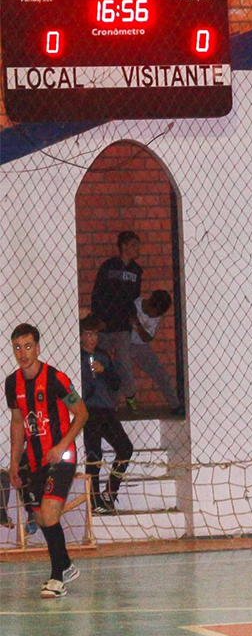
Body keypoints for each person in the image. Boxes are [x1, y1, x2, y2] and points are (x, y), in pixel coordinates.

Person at [7, 323, 90, 598]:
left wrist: (61, 445)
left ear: (38, 347)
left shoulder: (56, 379)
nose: (23, 353)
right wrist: (14, 462)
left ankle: (57, 579)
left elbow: (81, 413)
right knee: (42, 517)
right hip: (34, 461)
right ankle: (65, 564)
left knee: (50, 513)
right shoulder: (12, 384)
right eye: (18, 347)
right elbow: (17, 423)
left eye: (28, 346)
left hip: (62, 457)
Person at [80, 317, 132, 516]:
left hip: (106, 410)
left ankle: (110, 491)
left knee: (125, 448)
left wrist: (104, 372)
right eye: (88, 334)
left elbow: (116, 383)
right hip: (88, 411)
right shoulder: (78, 357)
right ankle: (93, 499)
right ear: (81, 336)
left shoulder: (102, 356)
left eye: (95, 334)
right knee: (94, 455)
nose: (92, 338)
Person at [91, 231, 143, 395]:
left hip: (122, 326)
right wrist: (98, 318)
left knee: (124, 364)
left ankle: (129, 397)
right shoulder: (109, 266)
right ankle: (100, 398)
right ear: (124, 246)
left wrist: (132, 318)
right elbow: (97, 293)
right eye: (134, 245)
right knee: (102, 363)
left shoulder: (136, 271)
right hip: (105, 324)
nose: (138, 249)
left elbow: (133, 298)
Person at [121, 289, 182, 417]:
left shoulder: (156, 317)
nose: (156, 316)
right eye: (156, 312)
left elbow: (146, 337)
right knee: (121, 373)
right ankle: (112, 407)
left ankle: (175, 405)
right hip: (124, 343)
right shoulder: (135, 304)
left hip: (141, 347)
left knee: (160, 373)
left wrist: (137, 323)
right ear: (150, 303)